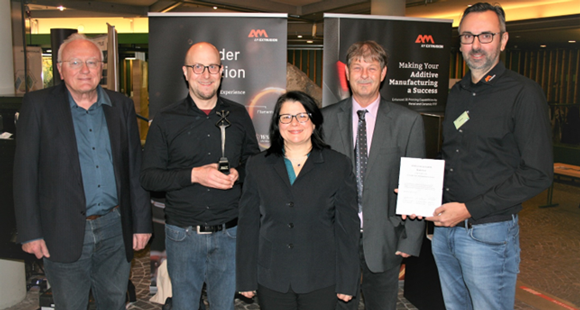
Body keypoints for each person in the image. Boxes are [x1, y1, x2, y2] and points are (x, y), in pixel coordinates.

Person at [425, 3, 553, 309]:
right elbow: (454, 157)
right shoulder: (457, 93)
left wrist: (469, 209)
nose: (476, 45)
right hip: (445, 232)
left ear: (503, 40)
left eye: (486, 35)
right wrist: (422, 191)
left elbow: (538, 172)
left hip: (488, 236)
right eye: (468, 37)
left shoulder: (524, 94)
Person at [13, 33, 152, 309]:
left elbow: (135, 169)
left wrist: (141, 223)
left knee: (113, 302)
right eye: (75, 62)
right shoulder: (39, 105)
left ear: (102, 68)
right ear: (61, 69)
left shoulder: (121, 105)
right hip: (61, 229)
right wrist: (30, 232)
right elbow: (24, 173)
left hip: (114, 227)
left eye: (91, 62)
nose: (85, 70)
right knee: (71, 304)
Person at [140, 41, 259, 310]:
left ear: (221, 71)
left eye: (212, 67)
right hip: (183, 235)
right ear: (185, 72)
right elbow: (149, 178)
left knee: (224, 306)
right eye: (198, 67)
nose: (205, 74)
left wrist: (238, 173)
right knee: (184, 305)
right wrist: (194, 175)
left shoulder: (238, 114)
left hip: (229, 233)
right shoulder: (166, 118)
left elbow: (255, 161)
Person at [322, 41, 426, 310]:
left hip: (385, 238)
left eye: (372, 67)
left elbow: (416, 182)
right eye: (357, 67)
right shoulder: (324, 120)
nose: (364, 74)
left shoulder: (408, 122)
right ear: (347, 73)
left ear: (383, 73)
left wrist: (411, 238)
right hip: (335, 238)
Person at [236, 91, 360, 310]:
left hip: (321, 278)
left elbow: (347, 229)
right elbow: (248, 224)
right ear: (277, 124)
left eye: (302, 116)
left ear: (314, 122)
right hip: (272, 277)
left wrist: (348, 280)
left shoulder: (338, 166)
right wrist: (245, 276)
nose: (294, 123)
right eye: (286, 117)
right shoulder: (257, 166)